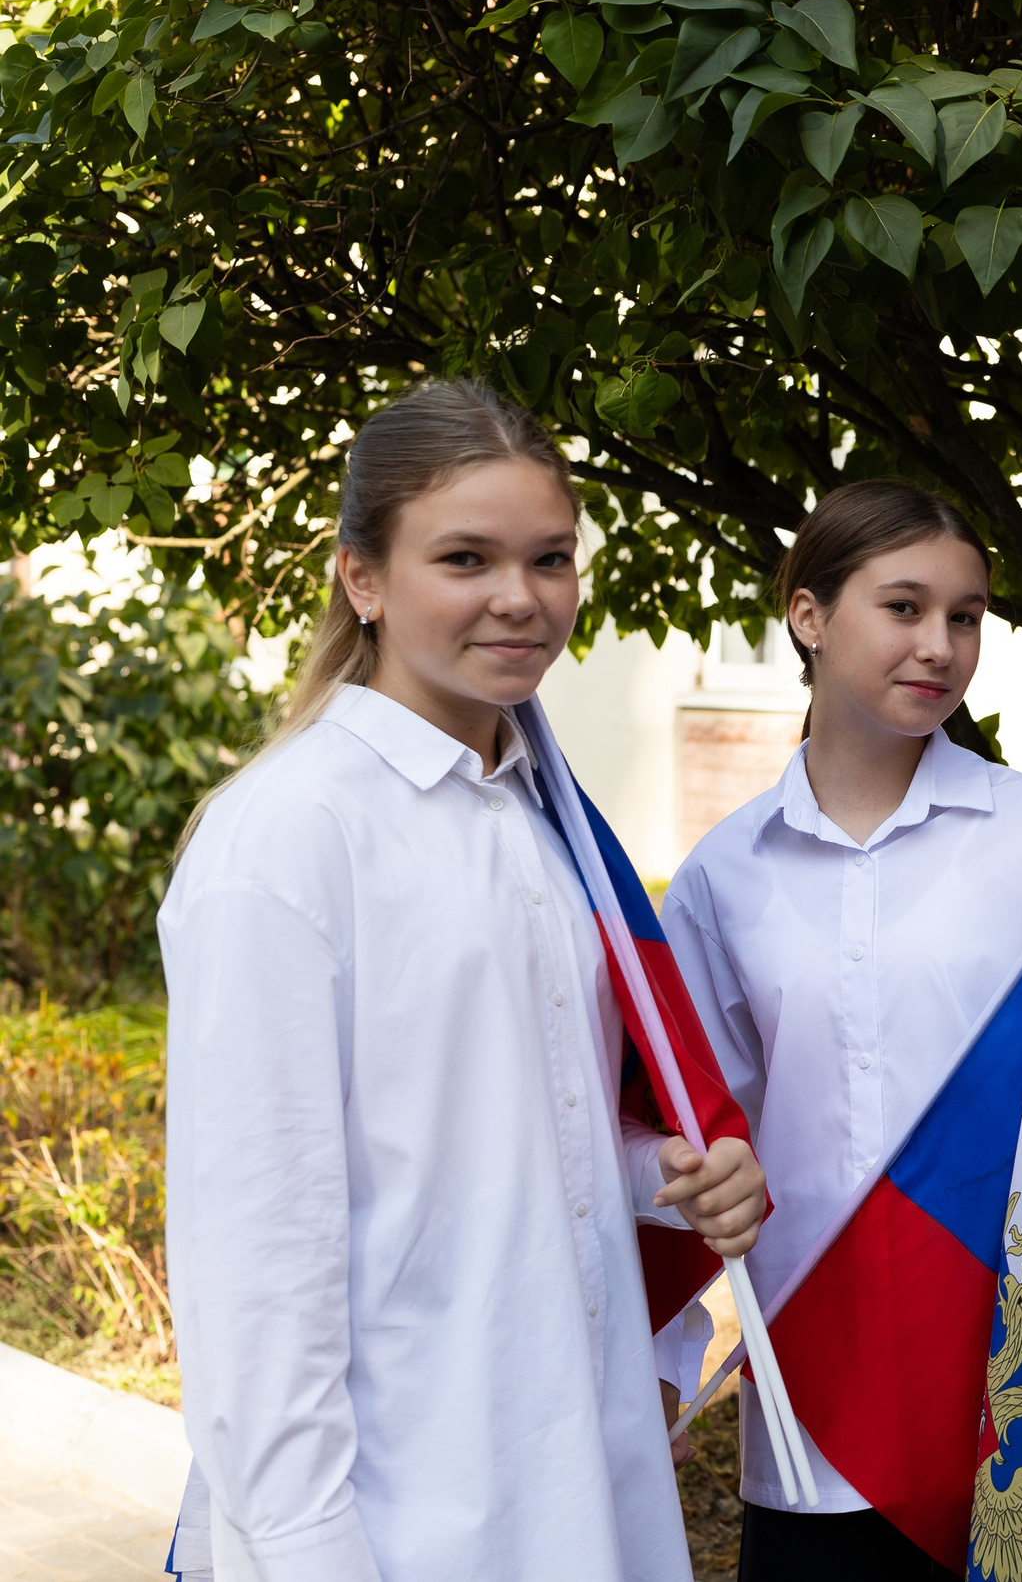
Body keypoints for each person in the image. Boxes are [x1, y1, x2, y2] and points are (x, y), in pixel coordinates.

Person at [160, 380, 767, 1581]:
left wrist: (663, 1175)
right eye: (465, 557)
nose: (520, 597)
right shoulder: (286, 839)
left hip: (575, 1469)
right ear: (363, 578)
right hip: (401, 1507)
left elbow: (515, 1129)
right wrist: (305, 1554)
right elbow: (254, 1263)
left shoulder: (546, 818)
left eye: (550, 558)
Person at [658, 480, 1022, 1580]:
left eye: (965, 616)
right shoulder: (726, 871)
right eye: (903, 607)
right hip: (814, 1360)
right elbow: (693, 1120)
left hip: (996, 1363)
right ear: (808, 616)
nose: (940, 646)